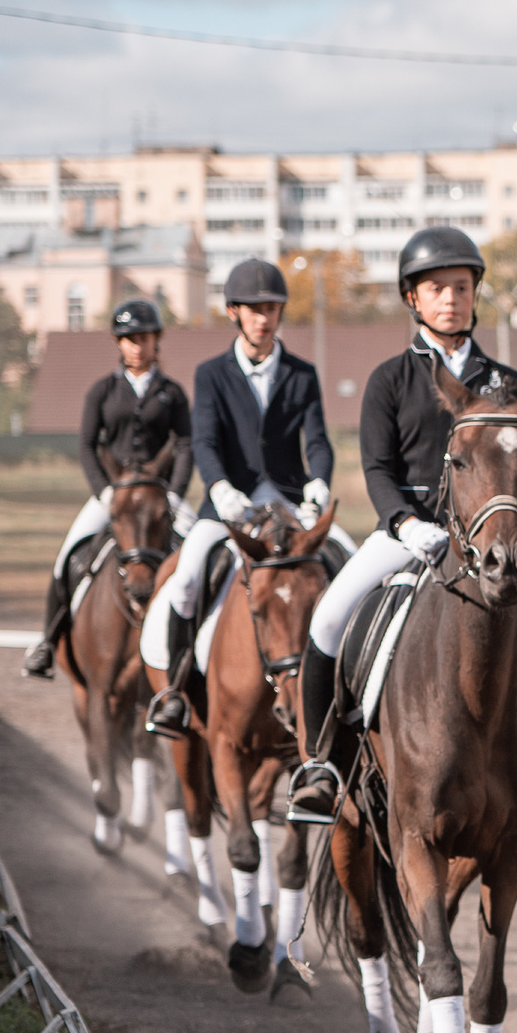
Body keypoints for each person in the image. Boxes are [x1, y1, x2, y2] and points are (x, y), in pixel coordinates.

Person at [287, 226, 517, 837]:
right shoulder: (390, 379)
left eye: (461, 288)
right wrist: (406, 524)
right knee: (328, 620)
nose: (450, 299)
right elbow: (376, 468)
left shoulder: (503, 381)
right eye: (436, 288)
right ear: (413, 299)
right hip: (407, 529)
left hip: (489, 541)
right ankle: (324, 767)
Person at [141, 259, 339, 734]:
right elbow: (205, 441)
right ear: (233, 312)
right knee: (188, 576)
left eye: (270, 308)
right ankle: (175, 691)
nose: (262, 318)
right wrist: (219, 487)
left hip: (290, 502)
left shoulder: (302, 372)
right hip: (231, 503)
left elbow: (317, 440)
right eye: (253, 310)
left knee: (344, 562)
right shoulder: (212, 374)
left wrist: (320, 481)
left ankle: (341, 692)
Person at [24, 299, 194, 678]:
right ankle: (48, 642)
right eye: (129, 339)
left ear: (155, 341)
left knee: (199, 552)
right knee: (68, 555)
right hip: (113, 496)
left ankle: (196, 651)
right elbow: (87, 445)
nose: (137, 346)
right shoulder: (101, 392)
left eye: (144, 338)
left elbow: (185, 444)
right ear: (119, 343)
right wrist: (103, 491)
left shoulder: (173, 393)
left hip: (160, 499)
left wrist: (176, 494)